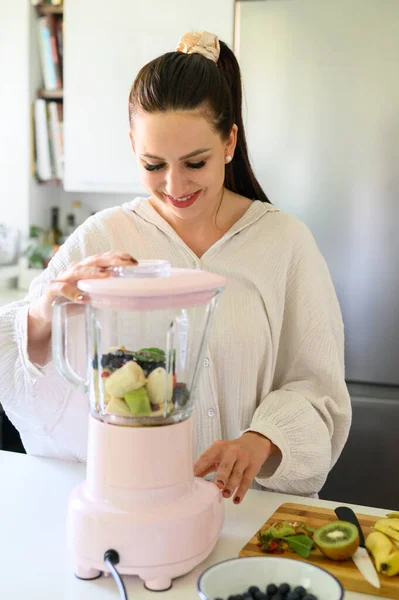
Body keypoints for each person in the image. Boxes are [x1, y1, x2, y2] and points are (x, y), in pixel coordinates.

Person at [0, 31, 351, 503]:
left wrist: (262, 440)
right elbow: (19, 356)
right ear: (132, 145)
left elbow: (318, 387)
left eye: (195, 162)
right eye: (152, 164)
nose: (174, 184)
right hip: (132, 504)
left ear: (229, 142)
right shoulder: (102, 237)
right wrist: (48, 306)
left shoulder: (285, 243)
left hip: (247, 511)